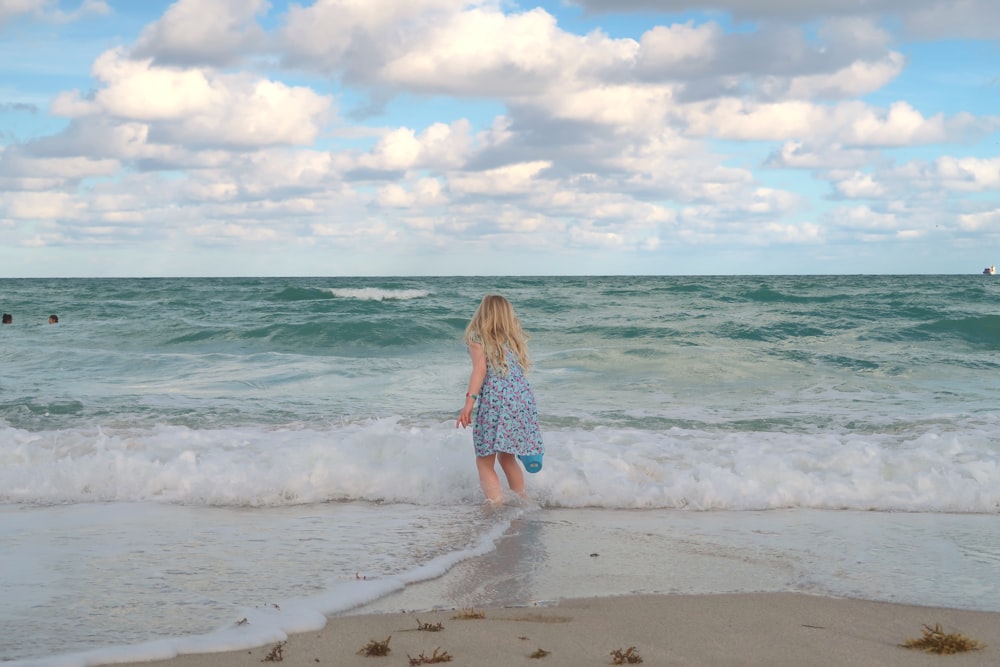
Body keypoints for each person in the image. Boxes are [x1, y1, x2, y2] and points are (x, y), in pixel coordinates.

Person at [456, 294, 544, 504]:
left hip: (497, 401)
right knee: (507, 456)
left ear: (483, 314)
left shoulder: (477, 339)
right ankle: (522, 500)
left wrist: (469, 403)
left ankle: (495, 505)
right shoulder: (513, 341)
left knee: (485, 460)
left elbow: (480, 370)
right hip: (522, 400)